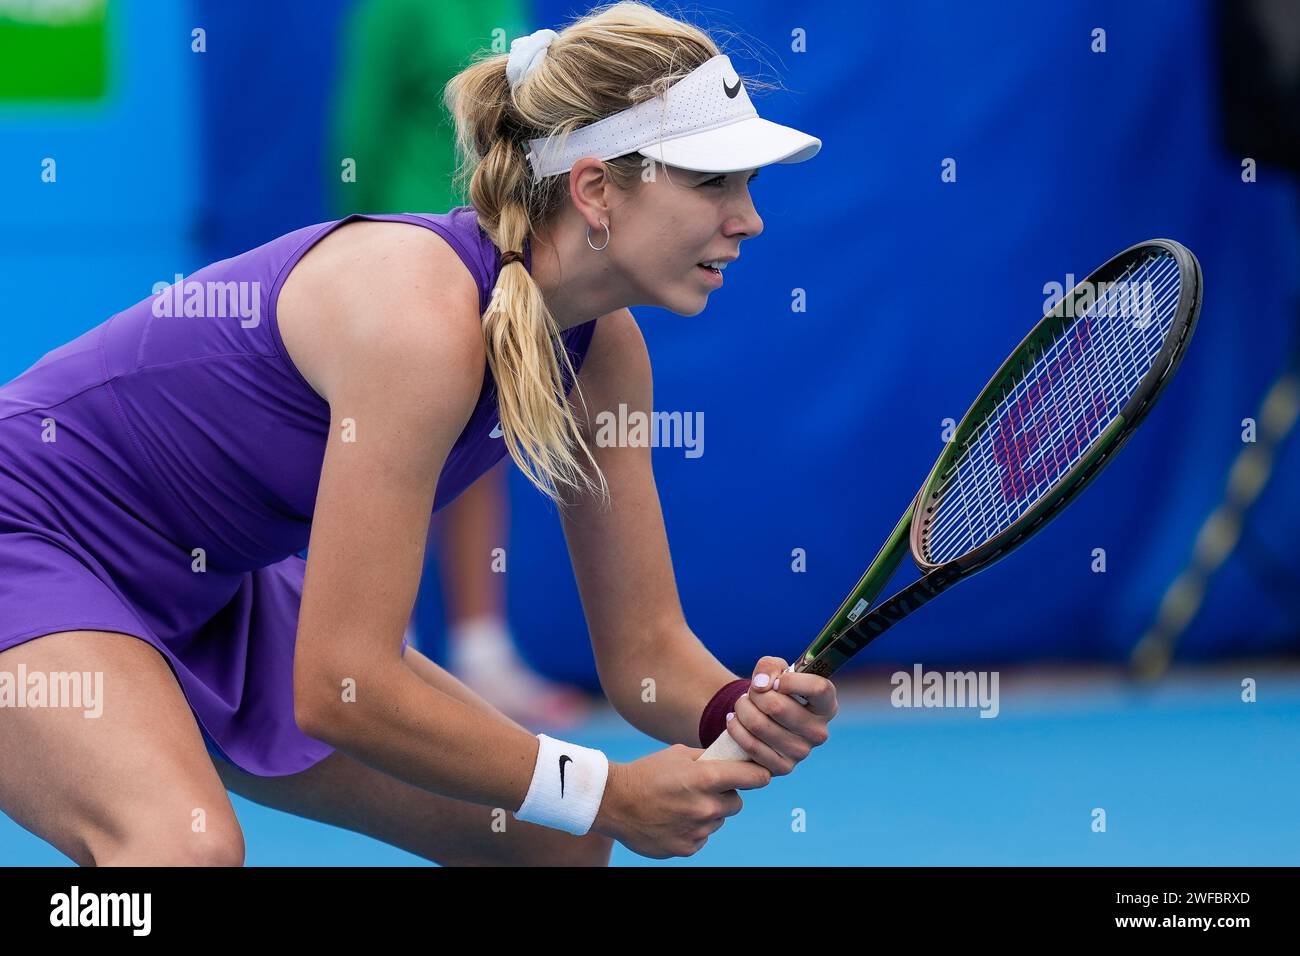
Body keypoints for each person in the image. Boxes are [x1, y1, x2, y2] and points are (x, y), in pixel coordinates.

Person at [0, 1, 833, 866]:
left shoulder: (606, 354)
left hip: (218, 587)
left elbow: (646, 653)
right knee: (177, 850)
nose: (748, 218)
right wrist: (612, 789)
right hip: (27, 536)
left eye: (749, 184)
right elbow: (342, 687)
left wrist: (735, 708)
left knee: (558, 848)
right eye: (710, 182)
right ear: (594, 189)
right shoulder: (419, 320)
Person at [330, 0, 591, 730]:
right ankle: (380, 656)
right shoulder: (392, 13)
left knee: (485, 450)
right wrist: (368, 253)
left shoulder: (504, 6)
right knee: (398, 456)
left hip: (499, 254)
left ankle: (481, 654)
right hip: (407, 262)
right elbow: (359, 137)